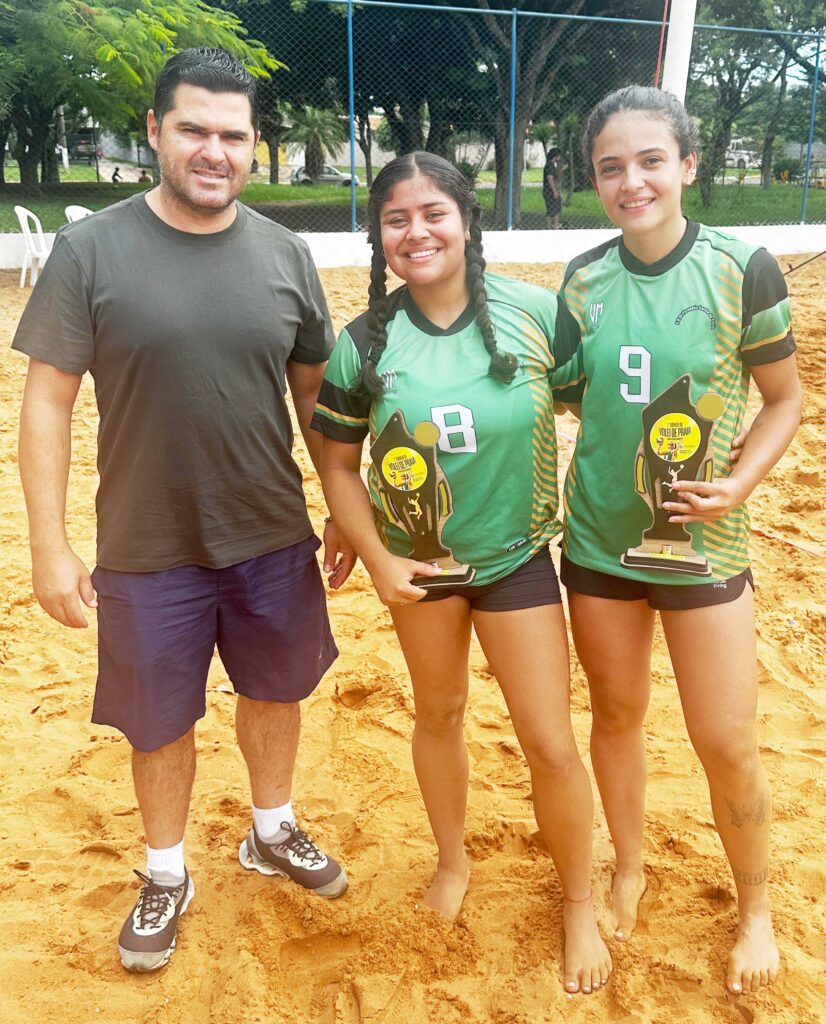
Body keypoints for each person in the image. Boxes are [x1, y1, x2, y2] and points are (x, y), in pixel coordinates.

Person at [14, 47, 355, 974]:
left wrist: (342, 509)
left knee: (275, 690)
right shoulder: (91, 250)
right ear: (156, 133)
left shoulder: (287, 255)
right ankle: (166, 872)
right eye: (194, 130)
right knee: (158, 718)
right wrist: (49, 544)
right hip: (145, 543)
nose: (215, 150)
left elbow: (315, 396)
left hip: (271, 534)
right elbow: (47, 399)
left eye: (234, 135)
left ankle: (272, 829)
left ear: (255, 148)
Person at [313, 152, 612, 996]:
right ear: (379, 234)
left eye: (434, 213)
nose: (417, 232)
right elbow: (337, 462)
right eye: (397, 219)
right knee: (438, 711)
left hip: (517, 560)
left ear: (467, 219)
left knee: (549, 740)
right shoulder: (366, 340)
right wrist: (377, 556)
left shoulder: (535, 314)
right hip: (420, 569)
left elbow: (604, 412)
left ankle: (580, 900)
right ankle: (453, 861)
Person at [551, 85, 801, 996]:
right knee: (614, 716)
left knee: (725, 736)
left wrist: (738, 482)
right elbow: (571, 397)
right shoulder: (581, 280)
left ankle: (757, 907)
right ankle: (627, 864)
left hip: (704, 547)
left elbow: (784, 400)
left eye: (651, 160)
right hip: (600, 545)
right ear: (594, 180)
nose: (632, 181)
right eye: (611, 167)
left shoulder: (743, 269)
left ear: (688, 164)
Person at [543, 147, 563, 229]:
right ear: (556, 156)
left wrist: (561, 170)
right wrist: (554, 191)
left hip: (551, 191)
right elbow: (550, 179)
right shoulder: (549, 166)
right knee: (552, 211)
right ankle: (551, 227)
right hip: (549, 192)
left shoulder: (551, 165)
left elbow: (555, 176)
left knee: (556, 209)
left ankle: (555, 226)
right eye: (559, 155)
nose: (560, 157)